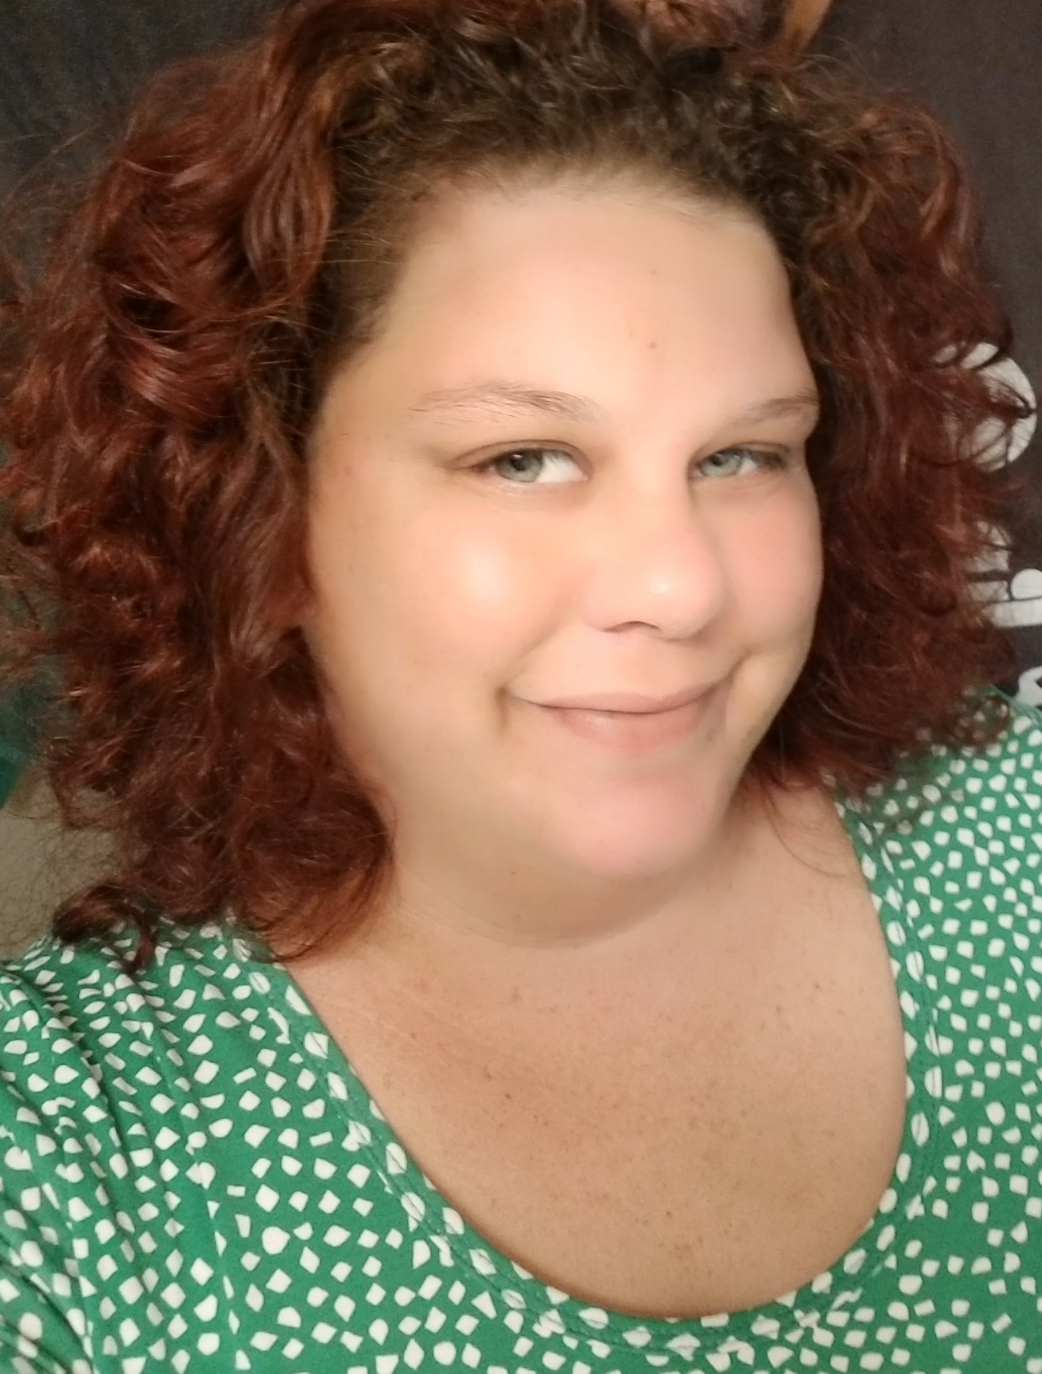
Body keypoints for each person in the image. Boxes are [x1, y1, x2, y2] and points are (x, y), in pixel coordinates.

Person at [0, 0, 1039, 1369]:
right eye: (522, 458)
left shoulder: (1010, 835)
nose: (680, 586)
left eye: (740, 456)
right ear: (263, 515)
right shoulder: (76, 1154)